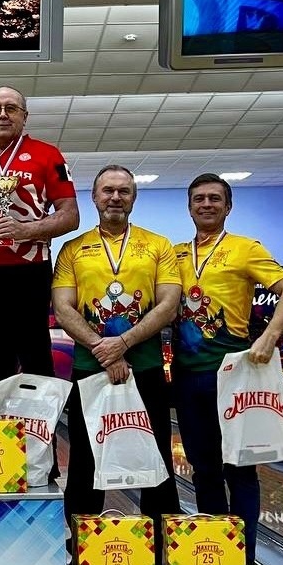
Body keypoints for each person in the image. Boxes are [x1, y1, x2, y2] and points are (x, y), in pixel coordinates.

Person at [172, 173, 283, 565]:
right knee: (204, 469)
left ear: (228, 207)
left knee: (240, 467)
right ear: (189, 207)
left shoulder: (246, 248)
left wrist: (269, 336)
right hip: (187, 376)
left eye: (215, 198)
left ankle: (244, 558)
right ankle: (216, 549)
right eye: (199, 199)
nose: (206, 204)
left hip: (233, 376)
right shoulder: (174, 255)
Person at [52, 165, 182, 538]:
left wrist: (122, 343)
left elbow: (168, 304)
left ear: (133, 198)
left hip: (146, 367)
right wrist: (103, 348)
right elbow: (63, 307)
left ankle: (162, 550)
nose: (115, 197)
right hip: (89, 368)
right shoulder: (73, 249)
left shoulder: (158, 245)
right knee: (84, 462)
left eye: (124, 191)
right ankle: (80, 548)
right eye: (108, 190)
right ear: (94, 197)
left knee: (156, 460)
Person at [0, 85, 79, 388]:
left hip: (30, 270)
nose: (3, 114)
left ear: (24, 116)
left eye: (11, 108)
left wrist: (26, 230)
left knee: (35, 354)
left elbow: (70, 215)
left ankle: (42, 418)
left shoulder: (48, 155)